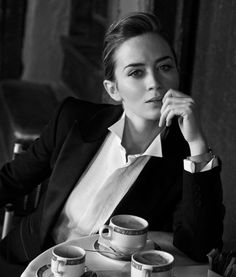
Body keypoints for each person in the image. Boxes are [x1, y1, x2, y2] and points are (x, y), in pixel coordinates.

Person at [0, 12, 224, 276]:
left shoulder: (185, 160)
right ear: (113, 89)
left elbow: (199, 248)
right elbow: (11, 181)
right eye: (136, 72)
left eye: (165, 67)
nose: (155, 83)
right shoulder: (73, 120)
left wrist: (197, 144)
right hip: (23, 263)